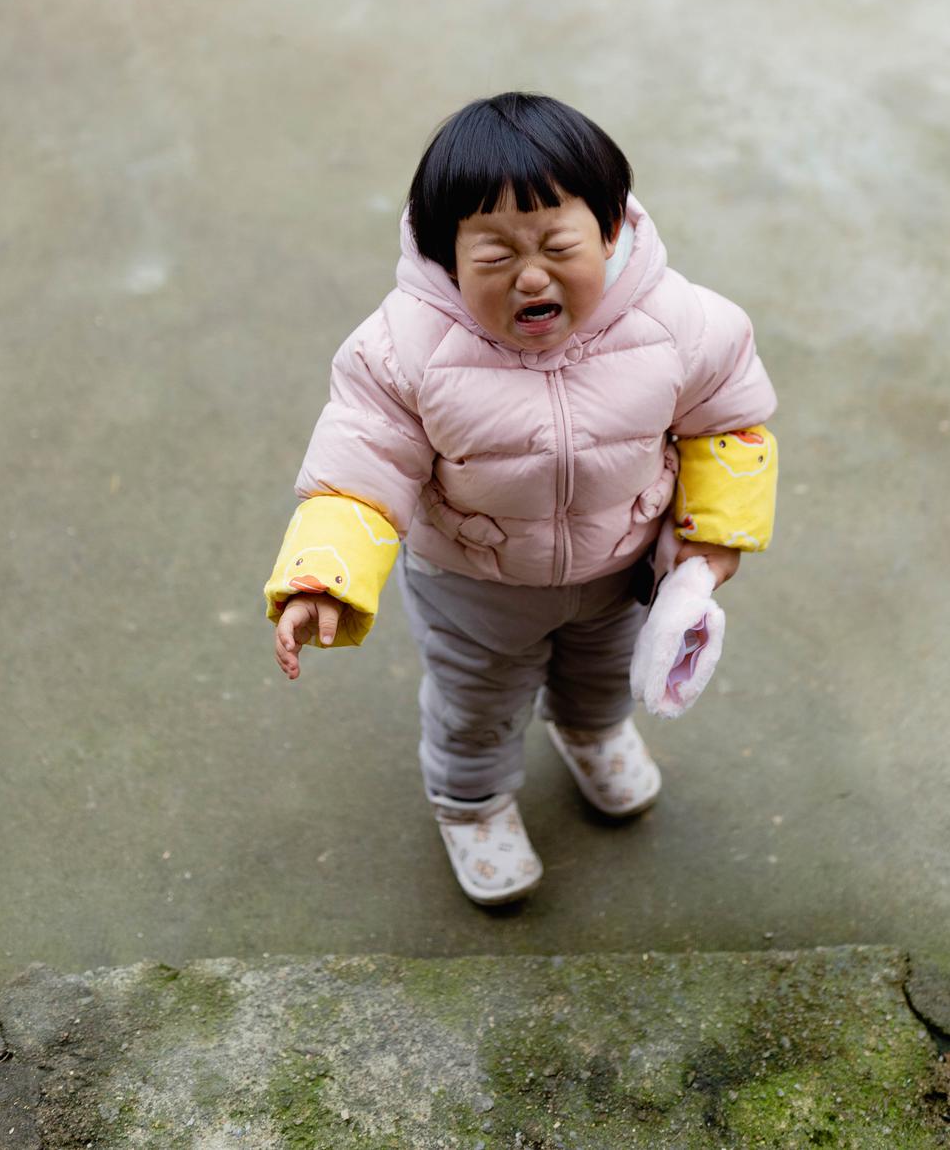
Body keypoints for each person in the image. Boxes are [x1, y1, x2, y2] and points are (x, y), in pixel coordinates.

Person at [264, 92, 779, 905]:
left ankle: (591, 731)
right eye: (495, 255)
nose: (531, 275)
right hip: (475, 583)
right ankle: (471, 802)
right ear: (446, 256)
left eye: (557, 245)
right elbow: (359, 470)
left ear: (610, 230)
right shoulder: (403, 350)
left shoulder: (681, 323)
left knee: (605, 674)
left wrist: (713, 539)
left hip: (619, 568)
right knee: (477, 701)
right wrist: (323, 573)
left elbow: (728, 428)